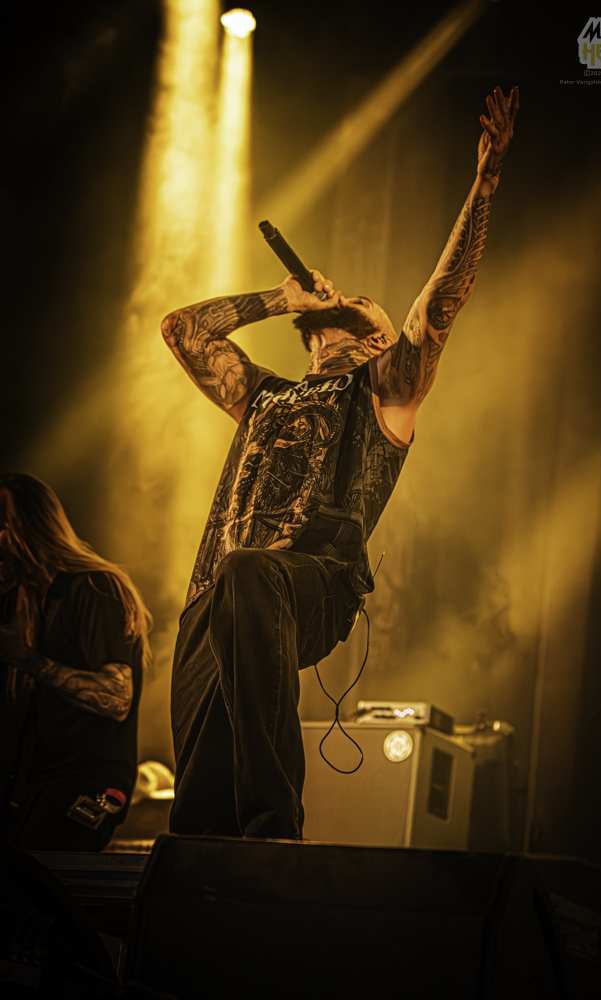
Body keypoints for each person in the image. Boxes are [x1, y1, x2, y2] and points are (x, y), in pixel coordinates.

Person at [163, 86, 519, 840]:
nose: (355, 299)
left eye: (370, 304)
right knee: (196, 799)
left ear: (384, 338)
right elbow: (181, 329)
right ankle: (209, 870)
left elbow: (440, 303)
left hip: (309, 583)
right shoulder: (264, 395)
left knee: (250, 571)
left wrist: (482, 188)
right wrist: (278, 298)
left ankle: (275, 827)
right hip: (214, 599)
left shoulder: (382, 390)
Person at [0, 473, 152, 851]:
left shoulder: (95, 587)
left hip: (89, 785)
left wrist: (28, 660)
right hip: (33, 785)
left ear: (27, 526)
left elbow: (117, 698)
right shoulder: (26, 600)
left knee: (40, 874)